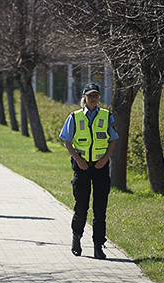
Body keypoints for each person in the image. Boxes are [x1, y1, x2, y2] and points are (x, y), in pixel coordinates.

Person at [59, 83, 118, 259]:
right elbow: (67, 141)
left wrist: (105, 158)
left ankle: (98, 246)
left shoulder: (107, 116)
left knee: (100, 209)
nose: (93, 98)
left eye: (96, 96)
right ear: (84, 97)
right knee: (81, 207)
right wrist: (78, 160)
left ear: (99, 98)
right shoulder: (74, 117)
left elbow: (113, 139)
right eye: (90, 96)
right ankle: (76, 238)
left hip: (100, 167)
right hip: (82, 167)